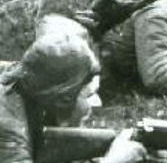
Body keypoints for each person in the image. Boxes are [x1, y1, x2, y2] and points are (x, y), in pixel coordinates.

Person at [0, 30, 148, 162]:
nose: (94, 103)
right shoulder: (9, 129)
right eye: (87, 94)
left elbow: (39, 143)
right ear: (63, 98)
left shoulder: (21, 80)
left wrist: (119, 140)